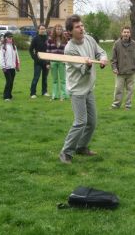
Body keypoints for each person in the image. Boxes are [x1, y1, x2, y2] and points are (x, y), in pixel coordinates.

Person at [59, 14, 108, 164]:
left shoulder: (89, 39)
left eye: (82, 25)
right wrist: (87, 65)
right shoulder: (69, 49)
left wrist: (103, 58)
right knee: (81, 121)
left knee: (92, 122)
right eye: (77, 27)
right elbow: (82, 71)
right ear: (70, 32)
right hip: (77, 90)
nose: (81, 28)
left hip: (89, 88)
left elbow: (101, 51)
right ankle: (66, 152)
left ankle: (81, 147)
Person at [111, 26, 135, 110]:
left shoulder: (134, 44)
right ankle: (116, 105)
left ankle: (128, 106)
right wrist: (114, 68)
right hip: (120, 72)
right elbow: (113, 58)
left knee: (130, 90)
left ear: (130, 34)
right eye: (124, 32)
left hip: (131, 72)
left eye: (128, 32)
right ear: (122, 33)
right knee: (118, 89)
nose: (126, 34)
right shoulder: (116, 44)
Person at [46, 24, 69, 101]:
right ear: (55, 30)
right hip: (53, 62)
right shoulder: (50, 39)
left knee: (63, 80)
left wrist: (66, 60)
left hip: (62, 62)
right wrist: (48, 63)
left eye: (60, 29)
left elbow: (67, 51)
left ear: (62, 30)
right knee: (54, 80)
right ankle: (55, 95)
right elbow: (48, 51)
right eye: (57, 29)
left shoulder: (65, 39)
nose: (59, 30)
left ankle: (63, 95)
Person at [29, 24, 49, 98]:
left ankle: (44, 92)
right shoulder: (35, 39)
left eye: (44, 29)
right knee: (36, 77)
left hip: (46, 61)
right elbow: (30, 50)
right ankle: (33, 93)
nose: (43, 30)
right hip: (38, 62)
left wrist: (49, 61)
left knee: (45, 78)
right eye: (41, 29)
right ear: (38, 30)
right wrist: (34, 58)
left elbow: (49, 50)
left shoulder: (48, 38)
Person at [0, 32, 20, 101]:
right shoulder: (3, 47)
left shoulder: (14, 46)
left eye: (11, 38)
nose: (10, 39)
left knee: (12, 81)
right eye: (9, 38)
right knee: (9, 81)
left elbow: (17, 56)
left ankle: (9, 95)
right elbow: (1, 57)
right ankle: (6, 96)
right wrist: (3, 67)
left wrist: (17, 65)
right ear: (5, 38)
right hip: (6, 68)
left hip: (12, 67)